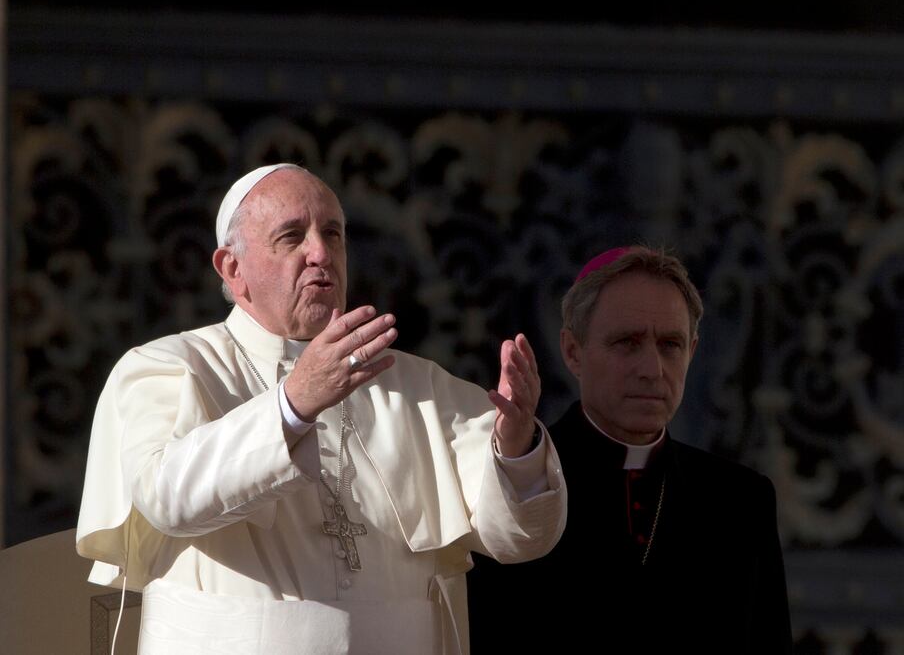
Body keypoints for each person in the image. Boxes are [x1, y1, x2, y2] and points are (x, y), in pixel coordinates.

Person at [76, 163, 566, 655]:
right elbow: (166, 497)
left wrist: (516, 446)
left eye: (332, 233)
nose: (321, 253)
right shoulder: (169, 367)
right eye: (291, 237)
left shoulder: (419, 385)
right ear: (232, 268)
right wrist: (292, 405)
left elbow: (521, 540)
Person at [468, 246, 792, 654]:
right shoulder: (518, 486)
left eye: (670, 345)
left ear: (692, 352)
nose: (652, 369)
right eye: (627, 343)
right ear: (573, 352)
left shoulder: (741, 501)